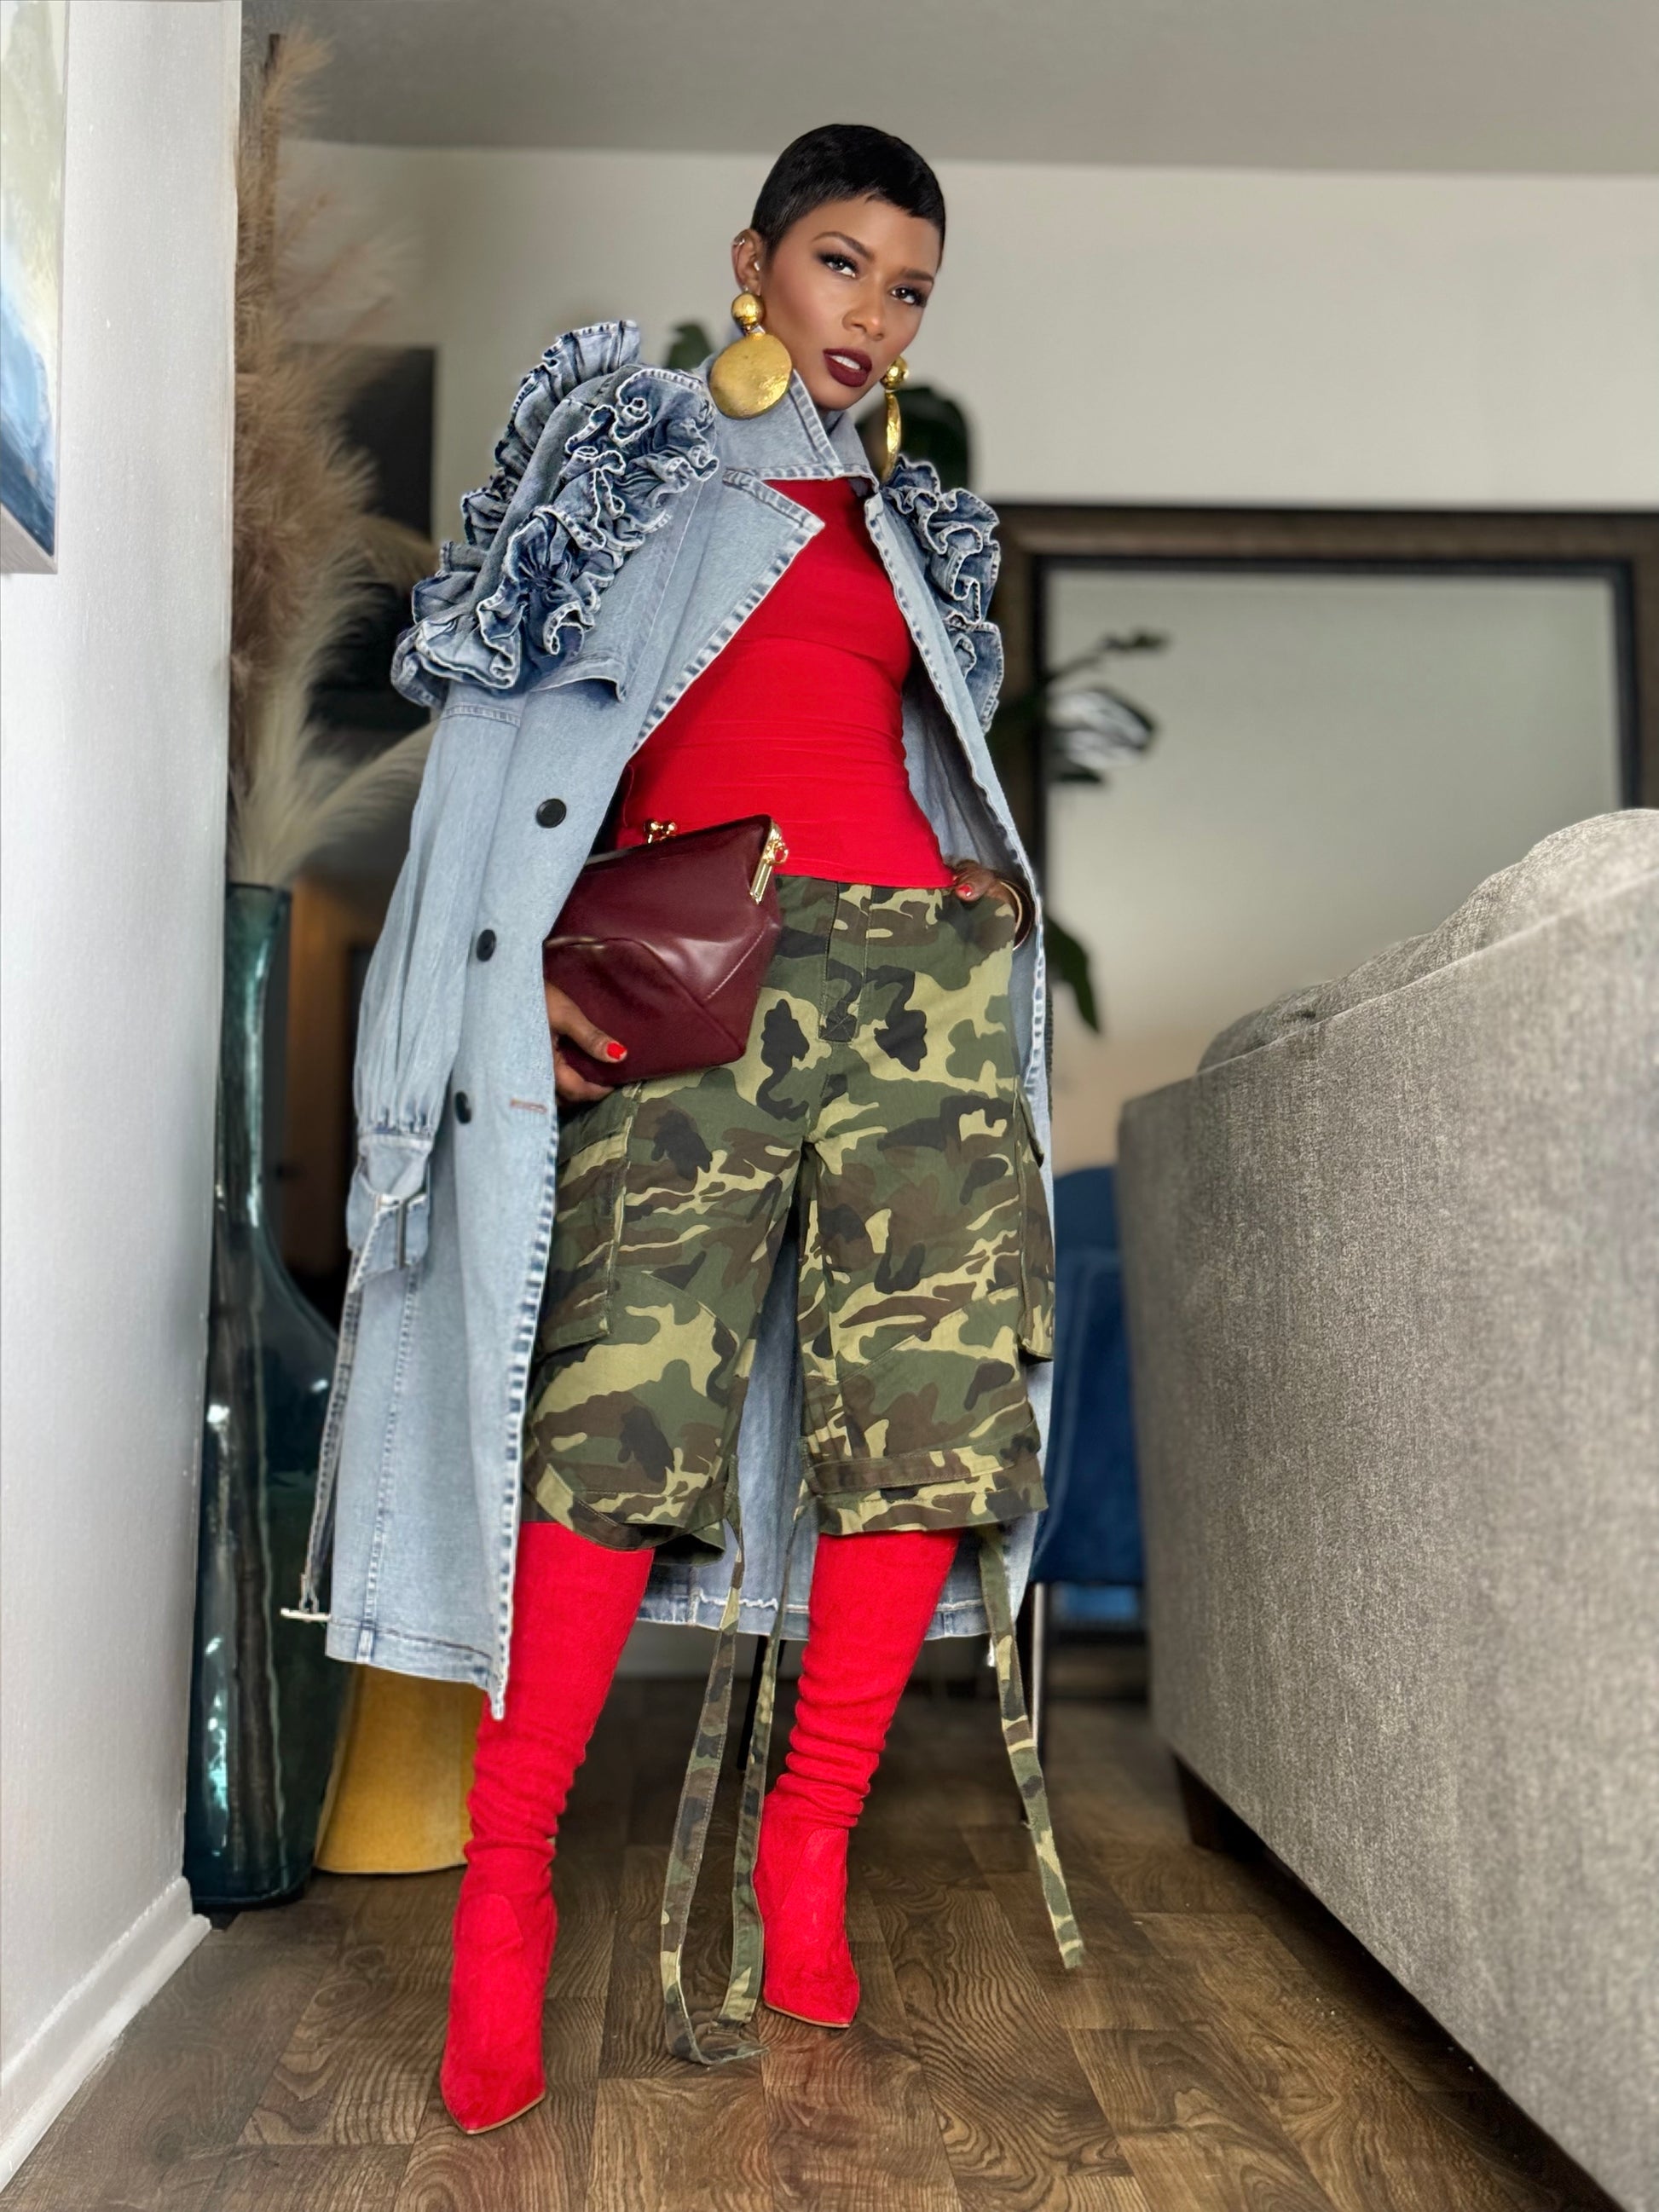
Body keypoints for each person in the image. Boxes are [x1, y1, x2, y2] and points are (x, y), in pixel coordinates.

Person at [287, 122, 1082, 2137]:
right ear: (754, 260)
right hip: (702, 970)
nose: (872, 312)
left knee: (923, 1415)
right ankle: (508, 1881)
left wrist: (969, 900)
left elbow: (913, 751)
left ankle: (807, 1838)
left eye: (908, 286)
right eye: (841, 263)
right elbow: (494, 732)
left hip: (918, 984)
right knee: (615, 1414)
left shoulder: (910, 529)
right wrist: (512, 986)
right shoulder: (630, 461)